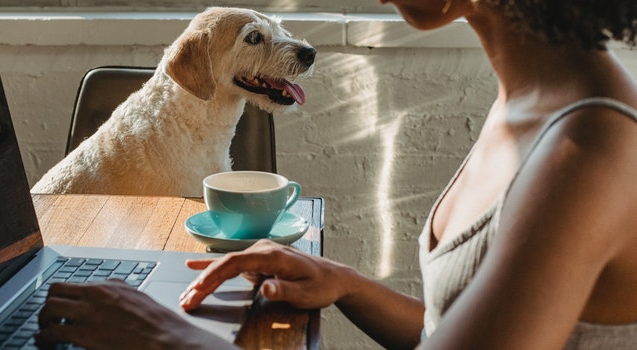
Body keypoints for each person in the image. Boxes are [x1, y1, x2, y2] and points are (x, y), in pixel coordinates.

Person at [35, 0, 637, 348]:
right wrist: (345, 282)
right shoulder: (530, 101)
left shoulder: (587, 148)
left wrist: (167, 336)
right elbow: (452, 332)